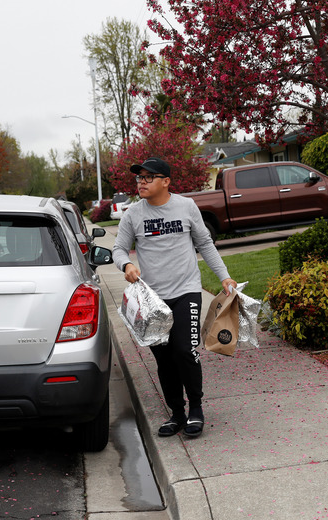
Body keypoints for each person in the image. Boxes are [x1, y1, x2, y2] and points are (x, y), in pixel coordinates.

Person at [113, 157, 237, 438]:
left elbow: (204, 242)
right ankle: (177, 413)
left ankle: (195, 408)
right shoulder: (133, 214)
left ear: (166, 181)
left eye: (148, 177)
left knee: (185, 350)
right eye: (139, 178)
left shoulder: (185, 206)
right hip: (152, 301)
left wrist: (224, 276)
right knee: (165, 359)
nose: (141, 183)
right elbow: (118, 249)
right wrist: (126, 265)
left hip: (186, 291)